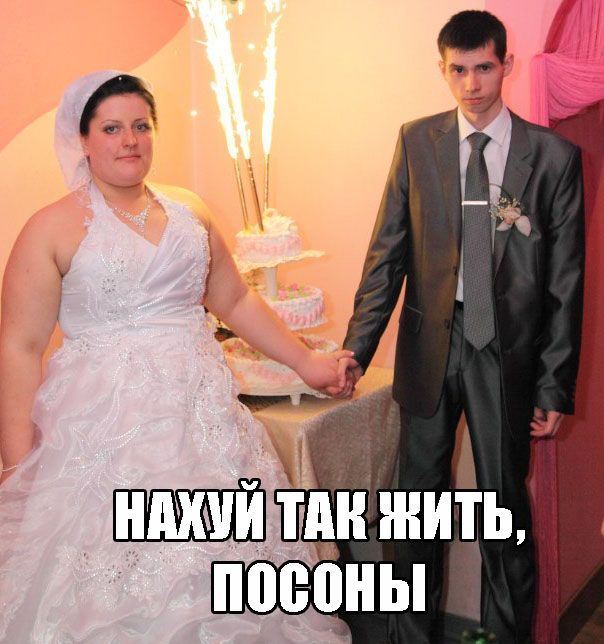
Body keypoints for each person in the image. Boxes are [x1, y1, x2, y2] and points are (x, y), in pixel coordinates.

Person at [0, 70, 352, 642]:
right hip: (102, 431)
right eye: (111, 128)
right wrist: (19, 467)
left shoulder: (190, 211)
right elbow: (20, 346)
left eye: (141, 126)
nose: (129, 140)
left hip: (203, 422)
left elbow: (235, 299)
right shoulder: (50, 228)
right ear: (82, 138)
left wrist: (306, 363)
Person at [339, 10, 584, 643]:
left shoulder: (552, 157)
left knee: (504, 512)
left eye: (483, 68)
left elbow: (565, 284)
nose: (471, 84)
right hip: (431, 349)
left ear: (507, 65)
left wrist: (554, 385)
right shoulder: (416, 141)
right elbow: (386, 254)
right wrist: (356, 349)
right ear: (442, 69)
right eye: (458, 70)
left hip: (508, 355)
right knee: (413, 512)